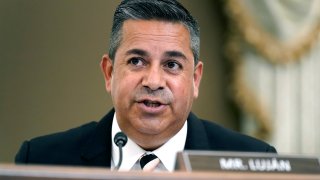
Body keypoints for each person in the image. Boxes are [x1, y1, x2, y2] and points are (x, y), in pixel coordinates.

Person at [15, 0, 276, 172]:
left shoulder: (253, 162)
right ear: (109, 72)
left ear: (195, 79)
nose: (153, 81)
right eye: (137, 61)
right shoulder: (42, 160)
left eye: (172, 64)